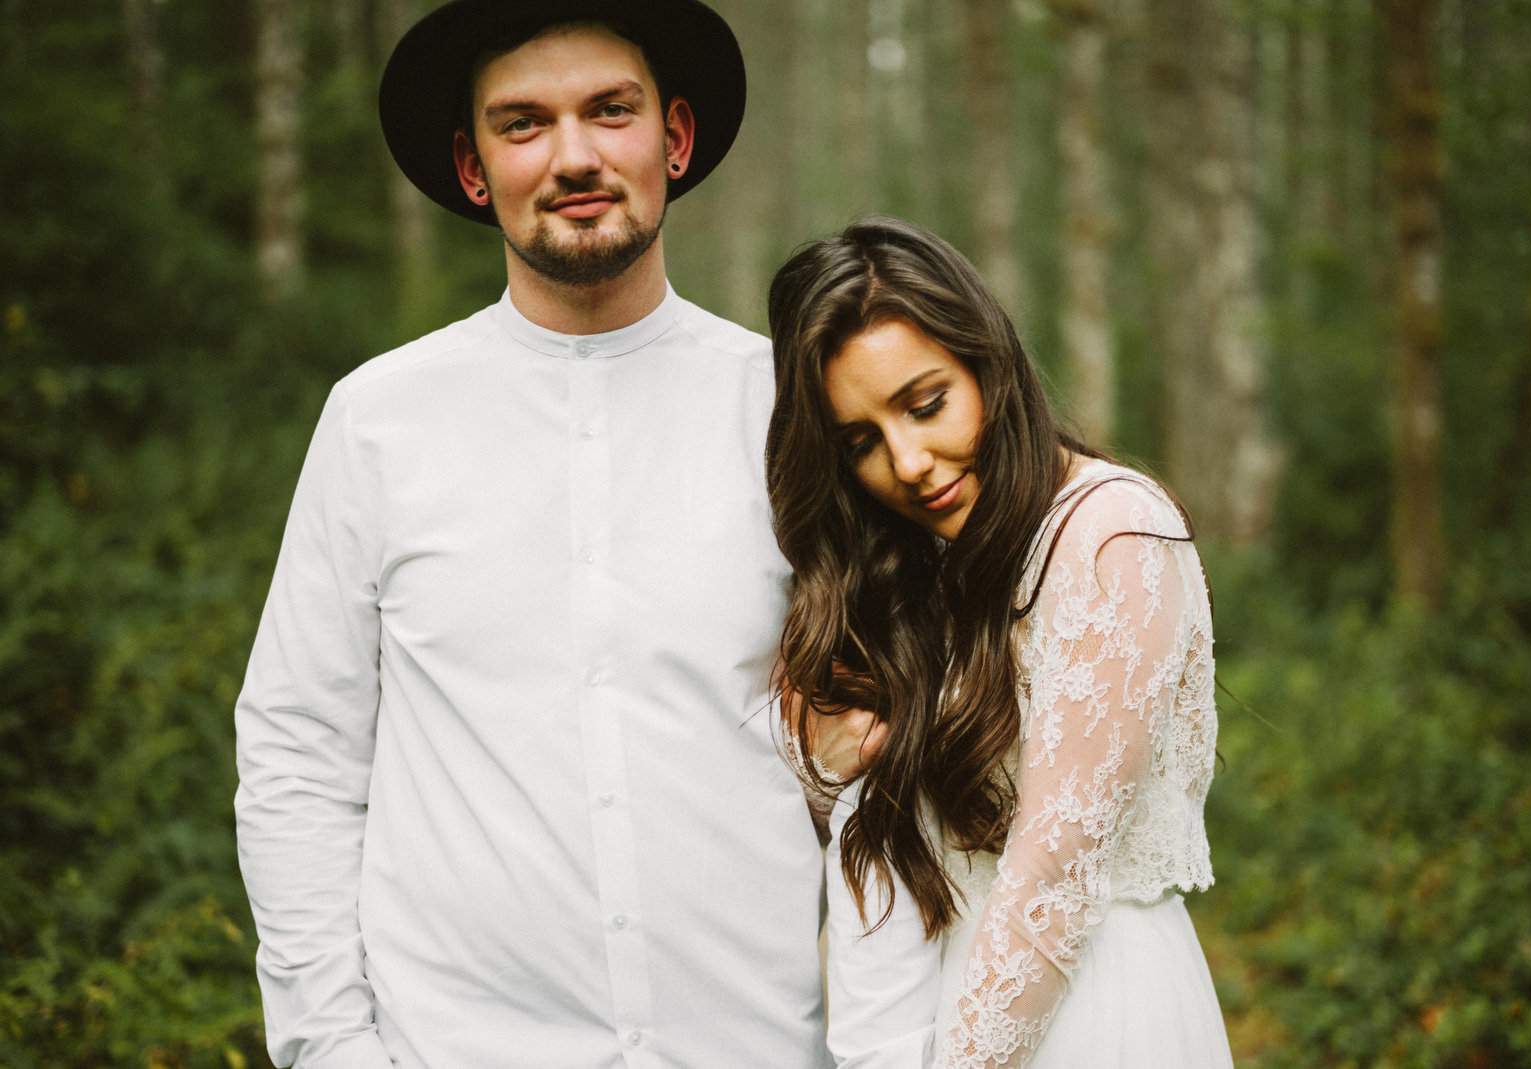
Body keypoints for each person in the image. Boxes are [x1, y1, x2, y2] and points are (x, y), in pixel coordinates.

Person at [233, 3, 828, 1066]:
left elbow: (881, 754)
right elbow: (298, 757)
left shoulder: (791, 410)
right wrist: (331, 1047)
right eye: (522, 124)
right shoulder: (378, 419)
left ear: (674, 139)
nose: (575, 157)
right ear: (472, 167)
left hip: (761, 1042)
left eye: (611, 111)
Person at [767, 217, 1234, 1068]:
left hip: (1091, 1013)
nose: (907, 462)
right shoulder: (927, 561)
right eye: (862, 441)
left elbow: (1053, 876)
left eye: (926, 403)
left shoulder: (1112, 534)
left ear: (989, 360)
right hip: (943, 1003)